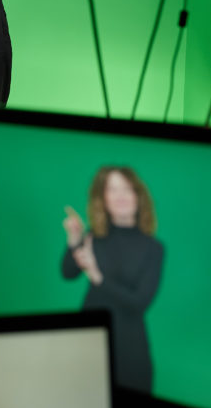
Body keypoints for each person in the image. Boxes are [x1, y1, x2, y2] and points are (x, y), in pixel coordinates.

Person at [61, 167, 164, 393]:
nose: (120, 196)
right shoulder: (94, 236)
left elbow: (139, 303)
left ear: (138, 196)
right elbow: (68, 273)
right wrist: (74, 240)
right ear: (103, 199)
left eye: (126, 189)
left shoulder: (153, 248)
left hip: (129, 347)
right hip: (89, 340)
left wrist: (98, 277)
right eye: (112, 189)